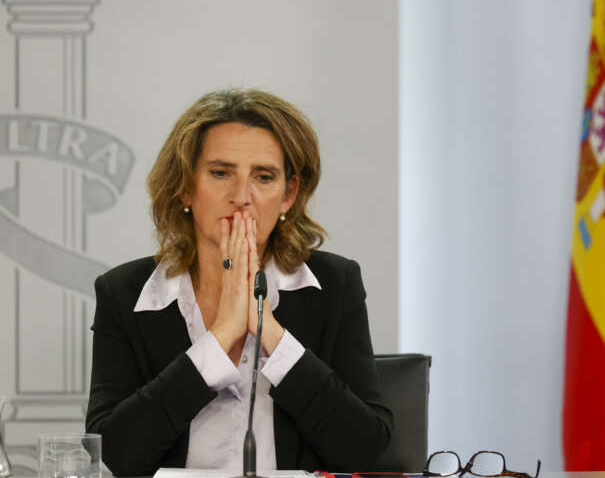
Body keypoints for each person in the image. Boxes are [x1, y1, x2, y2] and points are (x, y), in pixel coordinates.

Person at [85, 88, 392, 476]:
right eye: (220, 173)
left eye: (264, 177)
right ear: (184, 186)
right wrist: (220, 338)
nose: (241, 196)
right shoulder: (124, 292)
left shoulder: (334, 285)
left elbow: (364, 449)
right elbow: (114, 453)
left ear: (288, 195)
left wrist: (271, 334)